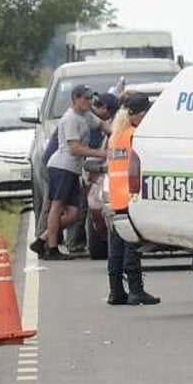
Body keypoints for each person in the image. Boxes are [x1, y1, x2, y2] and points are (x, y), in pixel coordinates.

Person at [32, 85, 107, 260]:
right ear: (75, 99)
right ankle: (52, 248)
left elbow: (103, 124)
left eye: (90, 99)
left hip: (72, 170)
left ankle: (41, 240)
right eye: (85, 98)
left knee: (74, 214)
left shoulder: (86, 115)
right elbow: (75, 148)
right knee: (56, 207)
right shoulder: (70, 119)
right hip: (62, 167)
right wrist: (101, 153)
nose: (88, 102)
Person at [104, 93, 161, 306]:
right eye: (146, 114)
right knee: (132, 245)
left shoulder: (116, 135)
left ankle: (116, 291)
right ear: (137, 115)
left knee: (117, 247)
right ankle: (136, 290)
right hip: (130, 196)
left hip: (116, 197)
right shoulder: (134, 135)